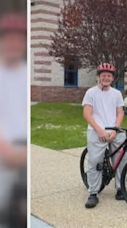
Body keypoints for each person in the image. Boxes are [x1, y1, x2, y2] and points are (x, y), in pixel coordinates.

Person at [82, 63, 127, 209]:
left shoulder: (117, 93)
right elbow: (87, 113)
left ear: (112, 78)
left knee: (122, 159)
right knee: (94, 162)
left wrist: (115, 129)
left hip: (114, 130)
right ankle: (93, 193)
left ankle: (121, 190)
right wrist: (99, 130)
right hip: (96, 130)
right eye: (103, 75)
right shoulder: (91, 92)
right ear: (98, 77)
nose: (106, 78)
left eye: (109, 76)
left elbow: (120, 112)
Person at [0, 13, 27, 226]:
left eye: (19, 39)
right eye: (8, 38)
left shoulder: (25, 74)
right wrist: (6, 151)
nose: (14, 44)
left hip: (24, 149)